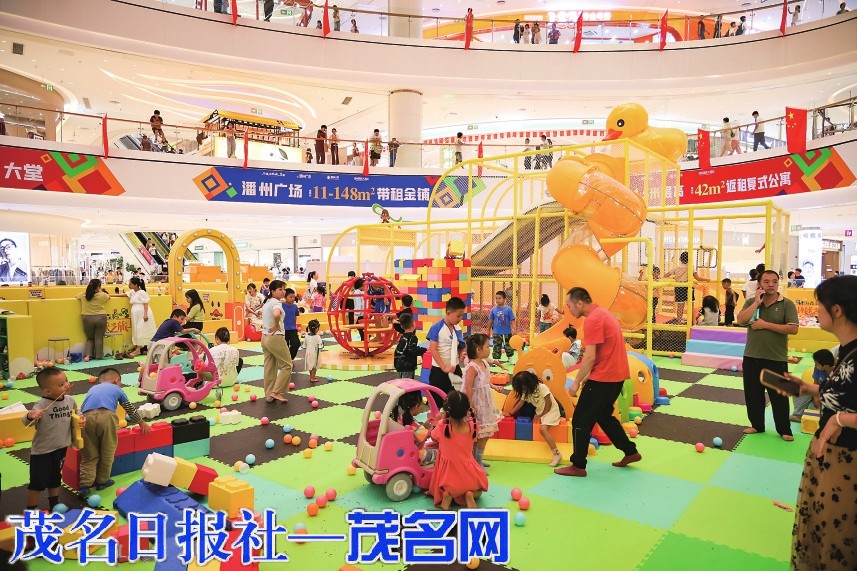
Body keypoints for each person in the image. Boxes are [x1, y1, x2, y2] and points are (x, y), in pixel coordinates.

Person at [780, 276, 857, 569]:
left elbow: (846, 409)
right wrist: (807, 388)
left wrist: (840, 419)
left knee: (838, 541)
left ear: (837, 310)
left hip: (848, 463)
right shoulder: (845, 350)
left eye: (819, 305)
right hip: (830, 457)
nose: (816, 311)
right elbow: (846, 392)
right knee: (820, 534)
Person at [555, 288, 641, 477]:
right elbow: (605, 351)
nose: (568, 310)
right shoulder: (603, 313)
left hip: (605, 377)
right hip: (616, 375)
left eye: (569, 305)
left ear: (579, 303)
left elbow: (590, 356)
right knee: (603, 416)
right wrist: (588, 375)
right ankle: (630, 451)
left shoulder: (593, 320)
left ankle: (578, 465)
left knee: (580, 419)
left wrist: (576, 381)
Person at [736, 270, 798, 441]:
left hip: (776, 358)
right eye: (766, 281)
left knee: (779, 397)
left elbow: (793, 328)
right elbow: (740, 320)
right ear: (759, 284)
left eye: (774, 281)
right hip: (752, 356)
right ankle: (757, 425)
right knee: (753, 394)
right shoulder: (751, 301)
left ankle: (784, 429)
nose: (771, 284)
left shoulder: (786, 304)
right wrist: (756, 302)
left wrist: (765, 325)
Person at [79, 368, 149, 497]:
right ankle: (102, 481)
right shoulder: (117, 389)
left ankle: (84, 485)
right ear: (117, 380)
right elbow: (129, 409)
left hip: (85, 418)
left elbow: (82, 407)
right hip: (106, 416)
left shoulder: (92, 389)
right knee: (108, 450)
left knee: (89, 453)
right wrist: (141, 422)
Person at [23, 367, 84, 511]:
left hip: (61, 447)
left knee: (55, 477)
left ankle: (54, 503)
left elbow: (77, 412)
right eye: (61, 384)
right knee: (37, 482)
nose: (67, 385)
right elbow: (26, 421)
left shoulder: (70, 400)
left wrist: (81, 417)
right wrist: (31, 415)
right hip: (42, 451)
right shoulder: (41, 405)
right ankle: (31, 509)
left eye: (66, 381)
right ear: (48, 391)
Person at [428, 391, 488, 509]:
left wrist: (437, 422)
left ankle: (448, 495)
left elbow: (433, 436)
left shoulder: (443, 426)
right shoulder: (473, 426)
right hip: (468, 475)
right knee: (479, 492)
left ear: (447, 411)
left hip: (447, 479)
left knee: (445, 488)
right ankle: (468, 495)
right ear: (466, 410)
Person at [462, 334, 504, 470]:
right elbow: (468, 387)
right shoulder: (472, 367)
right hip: (477, 403)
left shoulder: (484, 363)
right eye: (487, 346)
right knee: (480, 433)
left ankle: (477, 458)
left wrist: (494, 386)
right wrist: (469, 406)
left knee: (485, 433)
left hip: (486, 401)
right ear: (478, 350)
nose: (489, 349)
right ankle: (477, 460)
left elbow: (484, 381)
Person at [508, 370, 562, 467]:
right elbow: (521, 402)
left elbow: (549, 403)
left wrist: (541, 415)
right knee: (533, 427)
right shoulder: (526, 392)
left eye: (523, 388)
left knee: (543, 429)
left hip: (551, 411)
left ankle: (556, 453)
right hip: (540, 412)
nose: (523, 391)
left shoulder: (541, 387)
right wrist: (510, 413)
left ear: (528, 384)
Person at [427, 297, 467, 406]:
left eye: (462, 316)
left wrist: (462, 353)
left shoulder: (457, 328)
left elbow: (461, 345)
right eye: (458, 316)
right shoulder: (436, 328)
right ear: (449, 313)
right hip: (439, 370)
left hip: (455, 368)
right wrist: (443, 367)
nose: (460, 319)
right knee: (437, 400)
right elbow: (433, 349)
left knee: (457, 399)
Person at [261, 280, 292, 403]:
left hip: (265, 337)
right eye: (280, 289)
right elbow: (276, 314)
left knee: (270, 367)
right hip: (275, 337)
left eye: (284, 289)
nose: (283, 291)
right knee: (287, 365)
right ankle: (276, 391)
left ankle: (269, 394)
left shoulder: (267, 302)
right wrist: (276, 325)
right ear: (273, 291)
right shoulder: (276, 303)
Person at [390, 391, 438, 465]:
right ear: (416, 406)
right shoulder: (413, 425)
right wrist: (434, 425)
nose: (421, 408)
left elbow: (417, 431)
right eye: (420, 406)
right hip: (417, 454)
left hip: (403, 450)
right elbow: (429, 435)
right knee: (439, 453)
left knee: (430, 446)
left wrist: (425, 425)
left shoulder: (399, 417)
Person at [789, 349, 835, 422]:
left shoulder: (838, 372)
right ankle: (798, 415)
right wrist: (815, 396)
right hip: (819, 392)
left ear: (825, 366)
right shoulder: (818, 369)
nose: (815, 365)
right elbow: (815, 383)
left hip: (831, 396)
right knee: (797, 390)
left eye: (816, 364)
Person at [663, 251, 708, 324]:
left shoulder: (676, 267)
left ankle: (679, 321)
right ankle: (693, 321)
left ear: (680, 259)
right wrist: (707, 279)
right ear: (689, 259)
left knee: (680, 306)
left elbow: (666, 275)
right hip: (688, 287)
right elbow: (697, 278)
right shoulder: (691, 267)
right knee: (690, 306)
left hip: (679, 287)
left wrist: (672, 277)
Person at [77, 279, 110, 361]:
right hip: (101, 318)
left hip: (87, 318)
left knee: (89, 338)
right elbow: (108, 297)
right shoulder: (102, 295)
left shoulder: (83, 295)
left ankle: (88, 355)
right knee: (99, 337)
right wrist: (101, 291)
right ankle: (98, 356)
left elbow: (77, 296)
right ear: (98, 287)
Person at [126, 277, 156, 357]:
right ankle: (139, 347)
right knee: (136, 329)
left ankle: (139, 349)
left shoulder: (142, 292)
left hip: (142, 313)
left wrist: (145, 314)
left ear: (136, 285)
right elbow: (124, 294)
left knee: (141, 329)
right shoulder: (132, 292)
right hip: (136, 314)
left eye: (131, 284)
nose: (129, 285)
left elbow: (146, 303)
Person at [394, 313, 426, 379]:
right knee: (407, 383)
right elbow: (412, 350)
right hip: (407, 366)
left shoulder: (403, 336)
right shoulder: (412, 337)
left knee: (401, 382)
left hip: (399, 364)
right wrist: (424, 350)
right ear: (413, 324)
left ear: (401, 326)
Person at [488, 291, 515, 360]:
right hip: (496, 332)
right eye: (496, 298)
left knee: (508, 345)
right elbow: (491, 320)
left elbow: (512, 320)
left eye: (499, 298)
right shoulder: (493, 310)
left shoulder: (508, 309)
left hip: (507, 332)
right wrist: (488, 330)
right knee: (496, 346)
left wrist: (513, 328)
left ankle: (510, 358)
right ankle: (496, 359)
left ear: (504, 299)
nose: (497, 300)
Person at [282, 288, 301, 360]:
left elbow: (295, 316)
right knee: (285, 346)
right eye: (290, 297)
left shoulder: (295, 306)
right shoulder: (281, 305)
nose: (293, 299)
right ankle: (286, 360)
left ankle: (289, 358)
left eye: (293, 297)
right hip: (284, 329)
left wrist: (295, 326)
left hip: (293, 329)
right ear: (285, 297)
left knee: (296, 343)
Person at [304, 319, 323, 383]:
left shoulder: (306, 336)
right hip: (315, 353)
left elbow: (305, 345)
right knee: (314, 365)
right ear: (316, 329)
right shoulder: (317, 337)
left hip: (308, 352)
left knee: (310, 365)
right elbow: (320, 345)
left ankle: (311, 376)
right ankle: (313, 377)